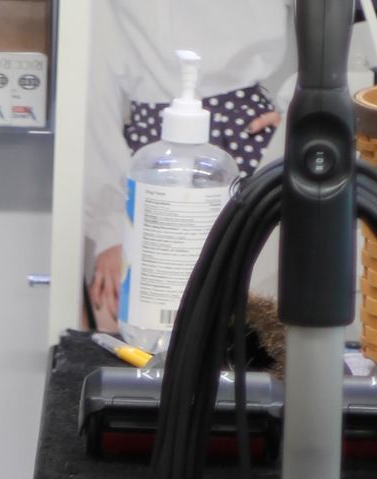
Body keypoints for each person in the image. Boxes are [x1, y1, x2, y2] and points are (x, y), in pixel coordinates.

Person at [85, 0, 294, 328]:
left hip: (251, 138)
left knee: (255, 332)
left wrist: (298, 107)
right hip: (151, 151)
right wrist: (111, 223)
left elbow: (331, 25)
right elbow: (89, 76)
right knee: (143, 329)